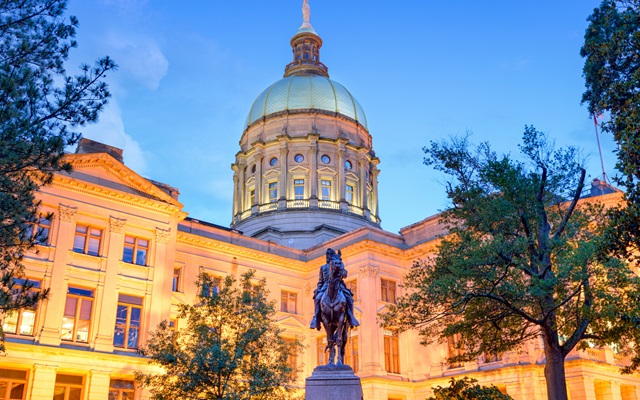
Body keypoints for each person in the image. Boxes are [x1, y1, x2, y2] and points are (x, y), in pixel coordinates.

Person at [310, 248, 360, 330]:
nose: (327, 257)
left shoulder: (339, 264)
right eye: (326, 255)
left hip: (339, 284)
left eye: (328, 255)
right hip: (325, 286)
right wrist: (318, 289)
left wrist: (340, 270)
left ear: (331, 256)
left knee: (349, 297)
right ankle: (316, 318)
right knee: (318, 298)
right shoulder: (322, 267)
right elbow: (320, 281)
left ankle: (351, 317)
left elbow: (344, 275)